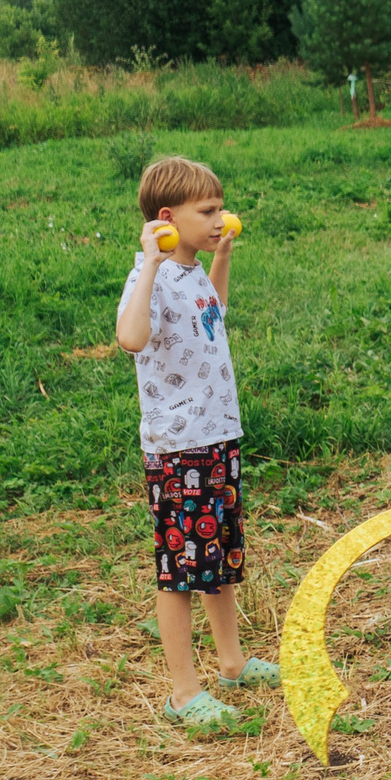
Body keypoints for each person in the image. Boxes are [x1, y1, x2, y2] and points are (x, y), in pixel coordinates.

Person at [114, 155, 277, 726]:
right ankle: (182, 691)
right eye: (206, 212)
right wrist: (152, 264)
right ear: (165, 219)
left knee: (220, 557)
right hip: (178, 449)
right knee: (181, 569)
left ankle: (230, 661)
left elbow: (215, 315)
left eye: (219, 209)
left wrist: (223, 254)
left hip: (217, 438)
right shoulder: (150, 277)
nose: (218, 218)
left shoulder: (191, 275)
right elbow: (131, 338)